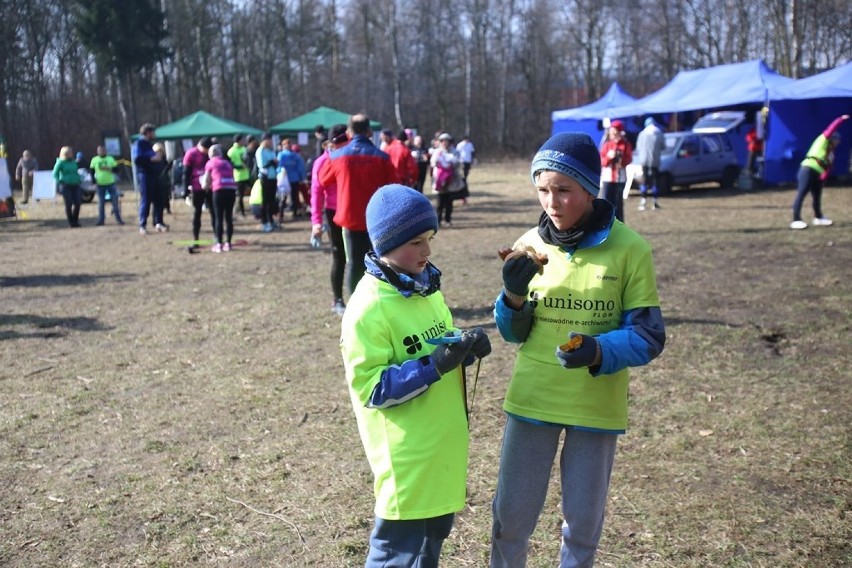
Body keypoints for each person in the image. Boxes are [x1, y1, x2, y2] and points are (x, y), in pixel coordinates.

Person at [489, 132, 666, 568]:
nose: (552, 202)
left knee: (583, 528)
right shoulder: (530, 242)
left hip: (595, 408)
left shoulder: (631, 250)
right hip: (533, 400)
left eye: (564, 190)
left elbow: (648, 335)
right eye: (543, 190)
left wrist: (598, 351)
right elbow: (514, 333)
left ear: (590, 188)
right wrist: (511, 297)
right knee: (510, 520)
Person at [340, 183, 492, 568]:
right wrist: (435, 365)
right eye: (415, 242)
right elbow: (372, 388)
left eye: (429, 238)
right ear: (385, 244)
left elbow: (437, 342)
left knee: (432, 543)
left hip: (442, 446)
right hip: (408, 457)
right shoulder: (367, 308)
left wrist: (464, 347)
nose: (427, 251)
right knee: (396, 554)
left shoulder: (426, 289)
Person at [318, 113, 398, 296]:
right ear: (369, 131)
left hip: (351, 217)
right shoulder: (382, 157)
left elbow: (322, 179)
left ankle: (356, 303)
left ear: (348, 132)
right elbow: (395, 187)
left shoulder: (338, 156)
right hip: (378, 218)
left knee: (354, 262)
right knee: (382, 261)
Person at [311, 123, 349, 316]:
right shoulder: (322, 162)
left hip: (354, 211)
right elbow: (316, 193)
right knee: (339, 257)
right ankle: (338, 299)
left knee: (362, 257)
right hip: (333, 212)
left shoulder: (351, 157)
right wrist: (316, 222)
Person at [790, 114, 848, 230]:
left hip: (817, 173)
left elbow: (828, 169)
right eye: (836, 140)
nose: (837, 142)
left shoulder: (830, 154)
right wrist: (840, 120)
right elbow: (830, 129)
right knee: (802, 193)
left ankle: (818, 217)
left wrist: (822, 179)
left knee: (817, 196)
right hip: (808, 169)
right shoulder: (822, 141)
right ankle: (796, 220)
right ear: (831, 139)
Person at [203, 144, 238, 252]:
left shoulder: (210, 163)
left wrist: (205, 187)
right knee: (228, 217)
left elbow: (206, 181)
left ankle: (219, 244)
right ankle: (228, 243)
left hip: (219, 189)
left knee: (218, 217)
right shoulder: (227, 163)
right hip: (231, 189)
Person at [133, 123, 166, 235]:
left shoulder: (148, 144)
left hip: (154, 175)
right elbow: (137, 158)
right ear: (148, 133)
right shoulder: (139, 143)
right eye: (153, 132)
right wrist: (151, 158)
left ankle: (158, 222)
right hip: (145, 176)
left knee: (158, 200)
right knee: (146, 200)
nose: (154, 134)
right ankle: (142, 225)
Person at [599, 120, 632, 223]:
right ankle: (605, 223)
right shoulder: (607, 144)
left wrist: (620, 158)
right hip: (607, 178)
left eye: (615, 132)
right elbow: (602, 162)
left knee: (618, 204)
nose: (613, 134)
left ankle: (619, 224)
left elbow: (628, 160)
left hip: (620, 178)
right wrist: (609, 156)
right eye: (612, 132)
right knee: (606, 202)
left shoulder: (625, 144)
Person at [183, 137, 213, 242]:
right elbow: (186, 173)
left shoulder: (211, 153)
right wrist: (185, 188)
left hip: (210, 186)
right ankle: (196, 237)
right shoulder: (191, 154)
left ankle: (217, 237)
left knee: (214, 212)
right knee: (197, 212)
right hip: (197, 187)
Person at [635, 117, 665, 211]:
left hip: (643, 160)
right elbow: (663, 146)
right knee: (655, 181)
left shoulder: (642, 134)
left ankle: (643, 201)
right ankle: (655, 202)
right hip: (655, 161)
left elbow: (638, 147)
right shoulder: (659, 133)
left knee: (644, 180)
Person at [90, 145, 123, 225]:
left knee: (115, 201)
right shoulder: (95, 160)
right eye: (99, 150)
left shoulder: (110, 159)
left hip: (111, 183)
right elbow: (91, 171)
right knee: (101, 203)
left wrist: (110, 168)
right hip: (100, 184)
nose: (101, 151)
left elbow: (117, 170)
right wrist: (94, 182)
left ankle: (118, 219)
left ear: (105, 151)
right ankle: (101, 220)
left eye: (102, 150)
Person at [430, 132, 458, 226]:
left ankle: (448, 219)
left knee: (449, 202)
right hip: (439, 180)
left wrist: (451, 164)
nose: (445, 143)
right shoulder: (437, 152)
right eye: (443, 141)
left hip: (450, 181)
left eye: (446, 141)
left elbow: (457, 162)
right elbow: (432, 163)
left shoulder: (454, 152)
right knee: (439, 203)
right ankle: (438, 221)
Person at [52, 146, 82, 228]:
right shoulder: (60, 162)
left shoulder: (73, 162)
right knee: (68, 204)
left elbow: (76, 172)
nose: (71, 154)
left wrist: (79, 178)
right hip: (66, 186)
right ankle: (71, 222)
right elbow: (54, 174)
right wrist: (60, 181)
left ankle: (76, 220)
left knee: (78, 203)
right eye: (69, 152)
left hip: (75, 184)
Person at [277, 139, 308, 218]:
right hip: (294, 179)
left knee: (284, 197)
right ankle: (294, 214)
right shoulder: (295, 156)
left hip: (284, 180)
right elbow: (301, 168)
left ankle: (281, 214)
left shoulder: (281, 155)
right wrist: (302, 178)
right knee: (294, 197)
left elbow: (278, 167)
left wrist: (278, 174)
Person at [255, 133, 278, 232]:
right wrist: (271, 162)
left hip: (273, 177)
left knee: (271, 200)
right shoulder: (260, 151)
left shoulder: (271, 151)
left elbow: (275, 161)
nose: (271, 142)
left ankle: (271, 220)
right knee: (265, 200)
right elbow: (262, 165)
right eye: (269, 140)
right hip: (265, 177)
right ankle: (264, 221)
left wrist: (275, 162)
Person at [228, 134, 251, 217]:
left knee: (251, 191)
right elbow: (230, 164)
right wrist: (240, 167)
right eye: (242, 140)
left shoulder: (244, 149)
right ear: (238, 141)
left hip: (247, 175)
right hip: (238, 176)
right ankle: (242, 212)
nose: (244, 141)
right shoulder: (231, 151)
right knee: (240, 195)